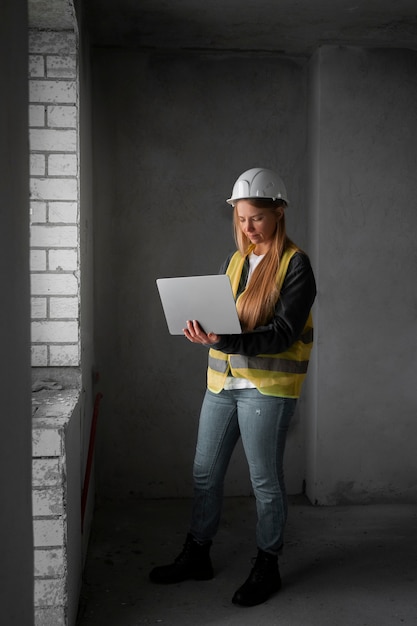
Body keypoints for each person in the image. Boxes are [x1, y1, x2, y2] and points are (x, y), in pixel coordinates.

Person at [149, 167, 317, 607]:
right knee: (205, 474)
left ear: (278, 213)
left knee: (264, 481)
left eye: (256, 218)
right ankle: (197, 555)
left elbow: (281, 333)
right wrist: (203, 329)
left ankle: (268, 564)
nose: (247, 228)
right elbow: (227, 319)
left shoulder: (295, 265)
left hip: (267, 387)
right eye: (241, 219)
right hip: (222, 383)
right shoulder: (234, 261)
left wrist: (223, 337)